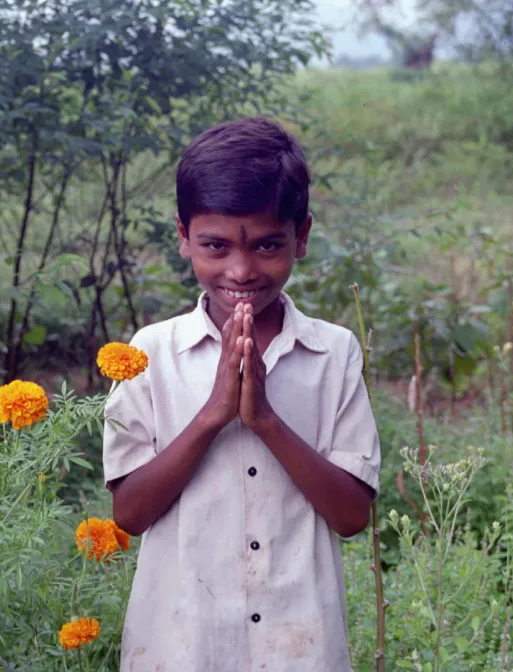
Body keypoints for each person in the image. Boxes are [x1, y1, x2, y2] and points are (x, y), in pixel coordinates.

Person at [102, 117, 381, 672]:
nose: (241, 269)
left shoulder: (334, 353)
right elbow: (129, 514)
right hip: (181, 646)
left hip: (299, 647)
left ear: (300, 236)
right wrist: (213, 416)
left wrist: (266, 422)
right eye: (215, 245)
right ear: (183, 236)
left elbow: (352, 516)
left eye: (267, 245)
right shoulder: (150, 354)